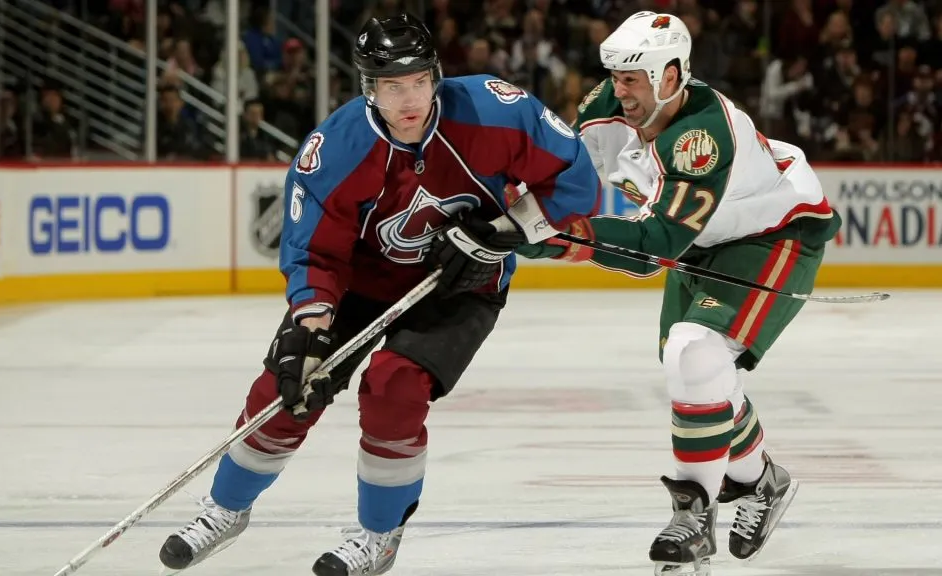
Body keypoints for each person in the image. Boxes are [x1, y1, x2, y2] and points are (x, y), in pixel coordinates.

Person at [158, 13, 601, 576]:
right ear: (369, 87)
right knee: (287, 384)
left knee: (393, 388)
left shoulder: (496, 110)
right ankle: (225, 509)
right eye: (392, 86)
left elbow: (575, 176)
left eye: (419, 80)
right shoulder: (336, 149)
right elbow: (315, 254)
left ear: (436, 74)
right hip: (363, 283)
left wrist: (502, 233)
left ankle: (378, 535)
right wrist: (310, 327)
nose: (410, 97)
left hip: (461, 284)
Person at [517, 11, 841, 576]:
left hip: (769, 236)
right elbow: (562, 175)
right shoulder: (611, 104)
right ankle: (764, 481)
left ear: (671, 77)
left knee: (697, 352)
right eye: (615, 77)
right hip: (699, 238)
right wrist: (508, 208)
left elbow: (656, 244)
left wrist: (556, 237)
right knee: (697, 370)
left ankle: (692, 519)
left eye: (632, 79)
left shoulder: (702, 137)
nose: (620, 91)